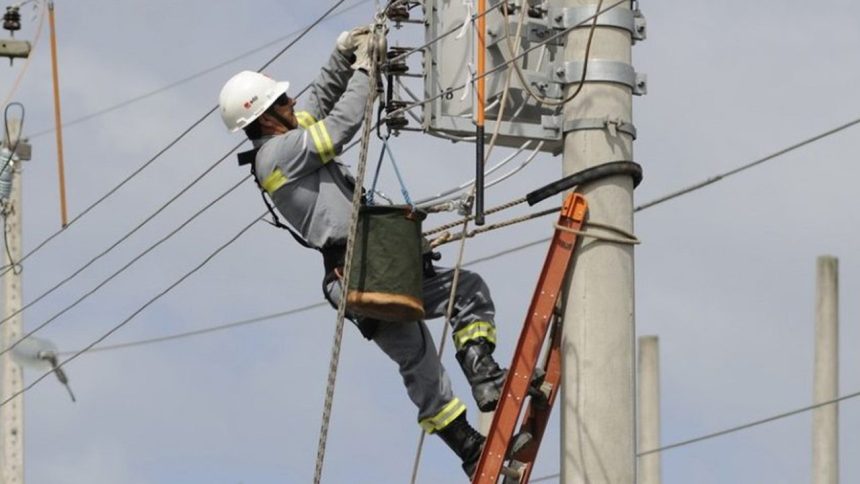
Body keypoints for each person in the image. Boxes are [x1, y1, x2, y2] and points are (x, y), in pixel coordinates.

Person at [217, 27, 507, 477]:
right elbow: (339, 126)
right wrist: (366, 70)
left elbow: (321, 101)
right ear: (266, 117)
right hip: (361, 269)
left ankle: (475, 415)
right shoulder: (277, 155)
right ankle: (478, 405)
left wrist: (344, 53)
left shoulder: (285, 141)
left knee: (432, 339)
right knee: (450, 314)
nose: (293, 102)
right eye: (283, 101)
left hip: (365, 267)